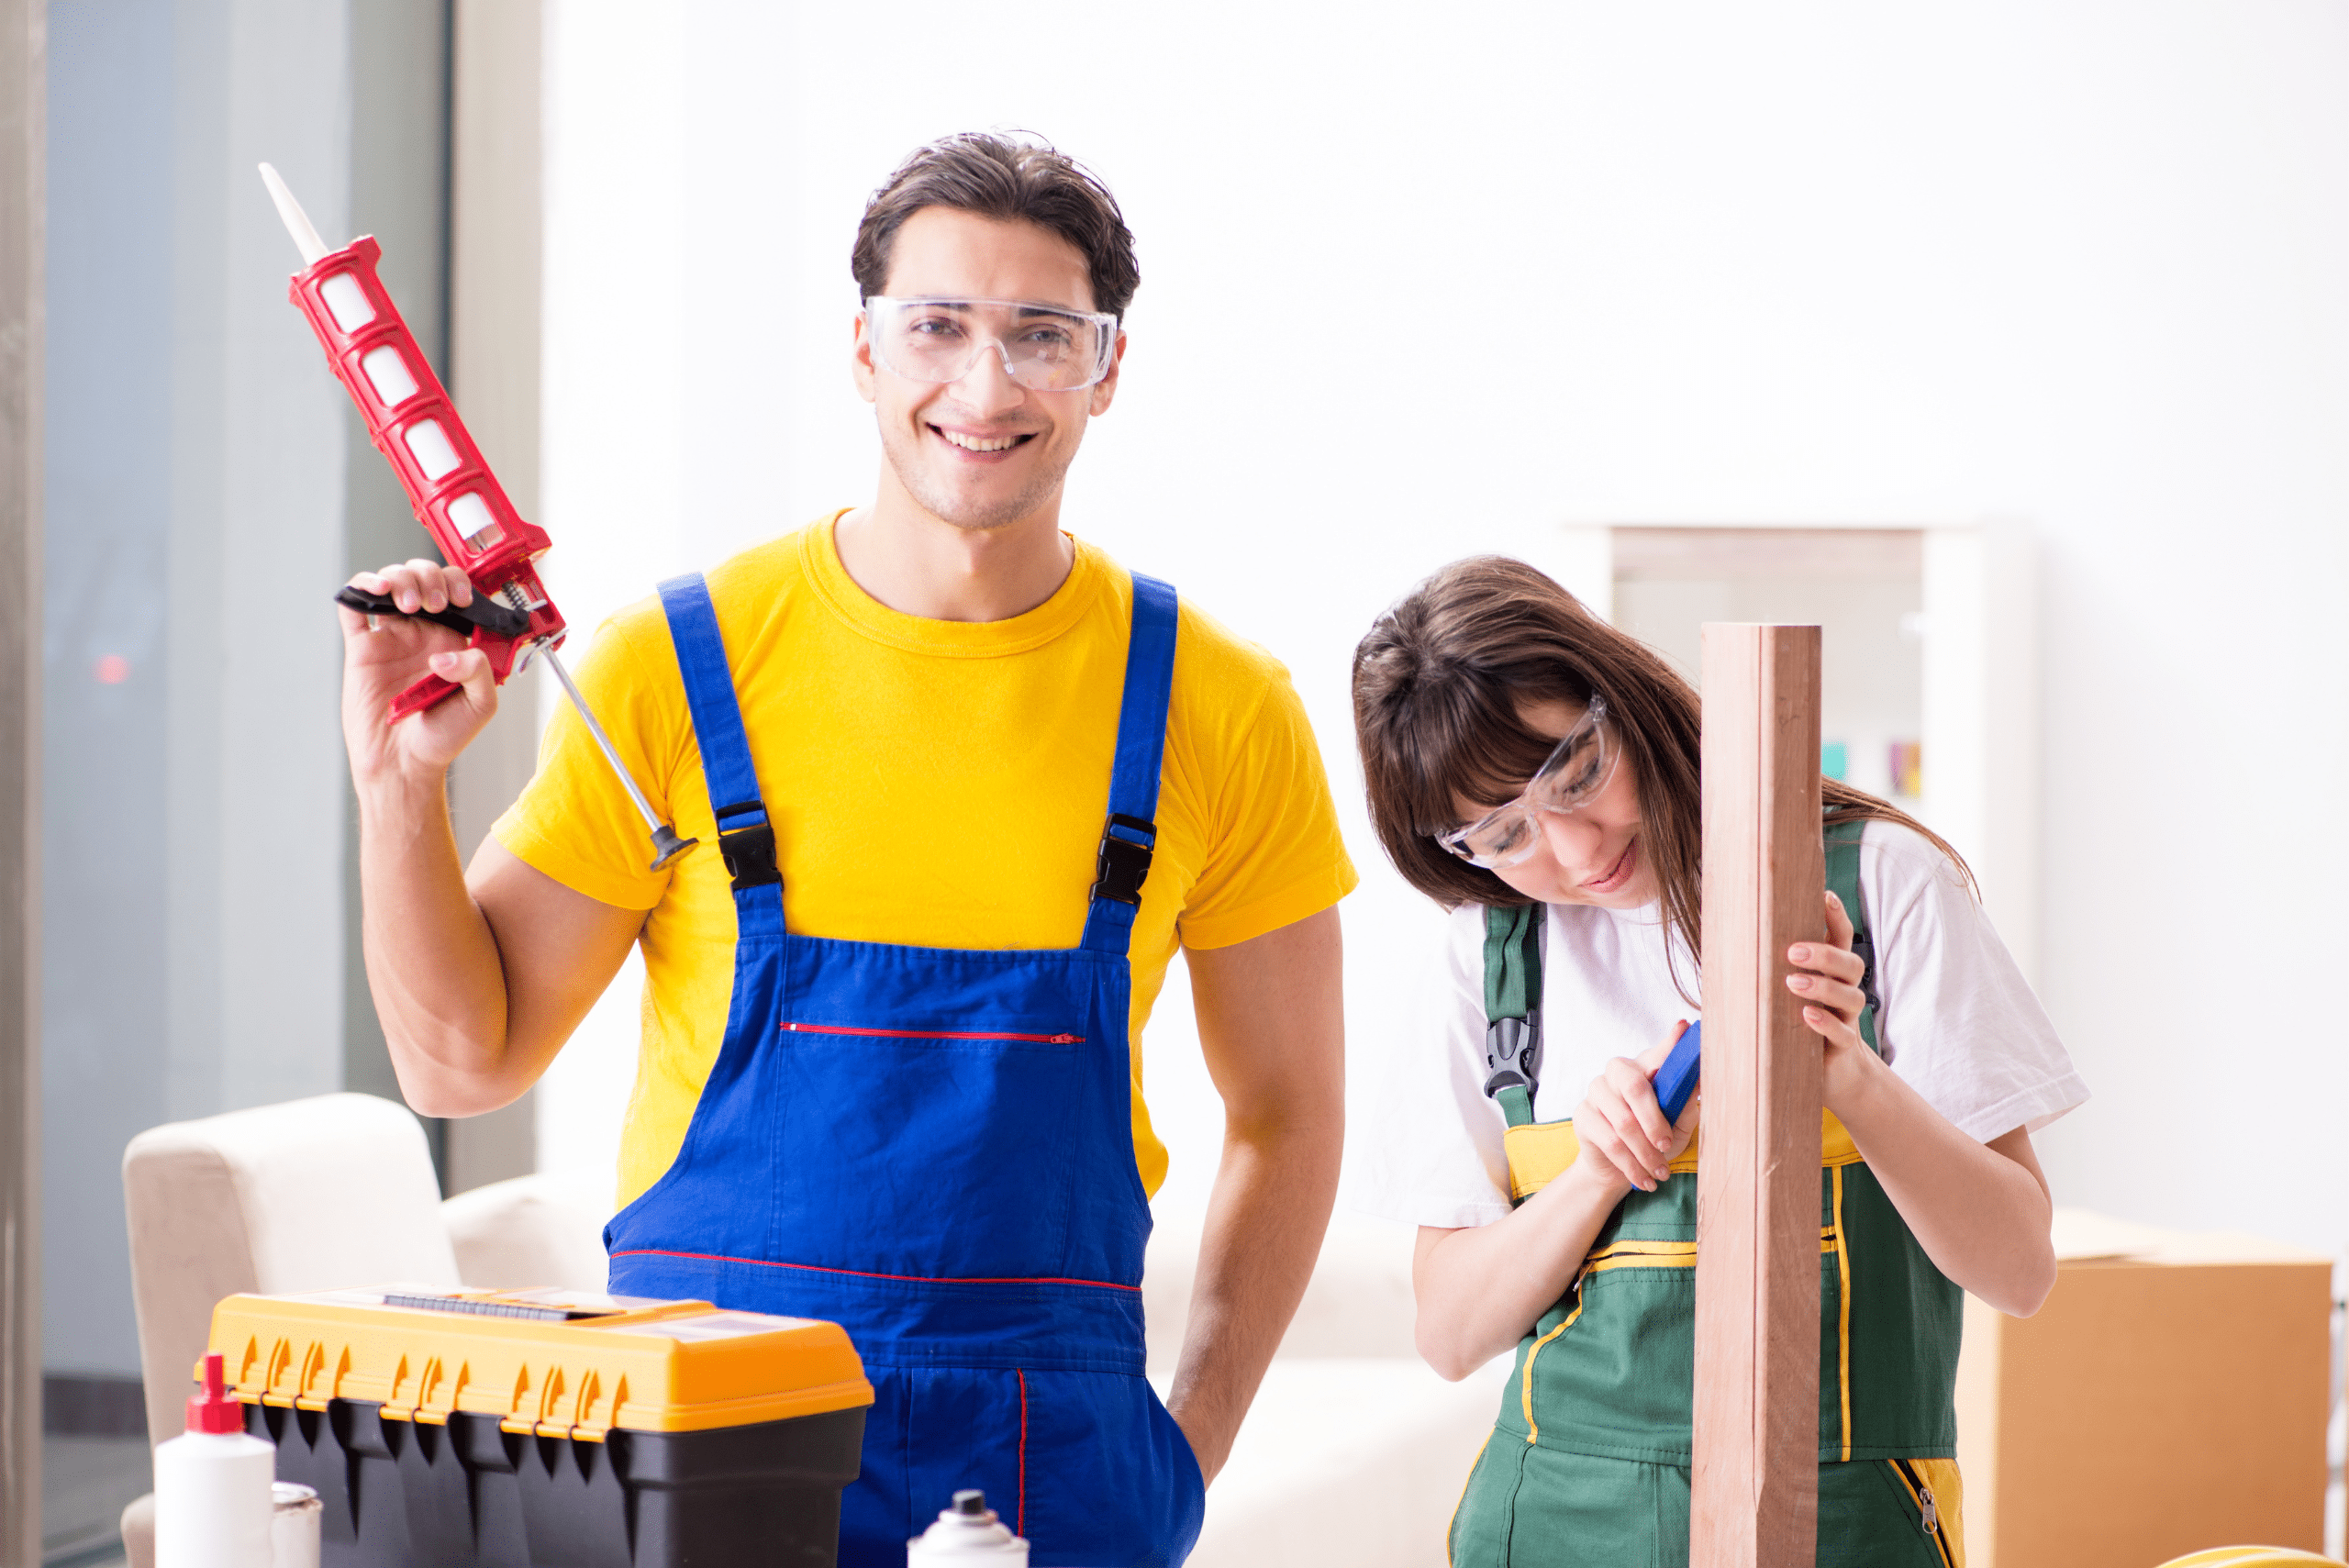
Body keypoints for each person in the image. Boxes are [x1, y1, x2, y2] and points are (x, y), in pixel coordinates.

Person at [337, 133, 1354, 1568]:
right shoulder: (675, 670)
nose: (984, 385)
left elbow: (1292, 1112)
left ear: (1108, 368)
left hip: (1055, 1469)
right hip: (698, 1449)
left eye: (1042, 335)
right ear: (864, 351)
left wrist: (1184, 1445)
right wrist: (398, 794)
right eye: (935, 325)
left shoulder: (1217, 705)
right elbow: (461, 1060)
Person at [1348, 557, 2086, 1566]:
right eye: (1502, 832)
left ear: (1623, 698)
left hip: (1842, 1519)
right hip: (1550, 1512)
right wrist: (1599, 1170)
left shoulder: (1878, 884)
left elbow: (2019, 1266)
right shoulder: (1491, 956)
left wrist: (1847, 1077)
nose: (1570, 849)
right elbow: (1449, 1330)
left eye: (1576, 772)